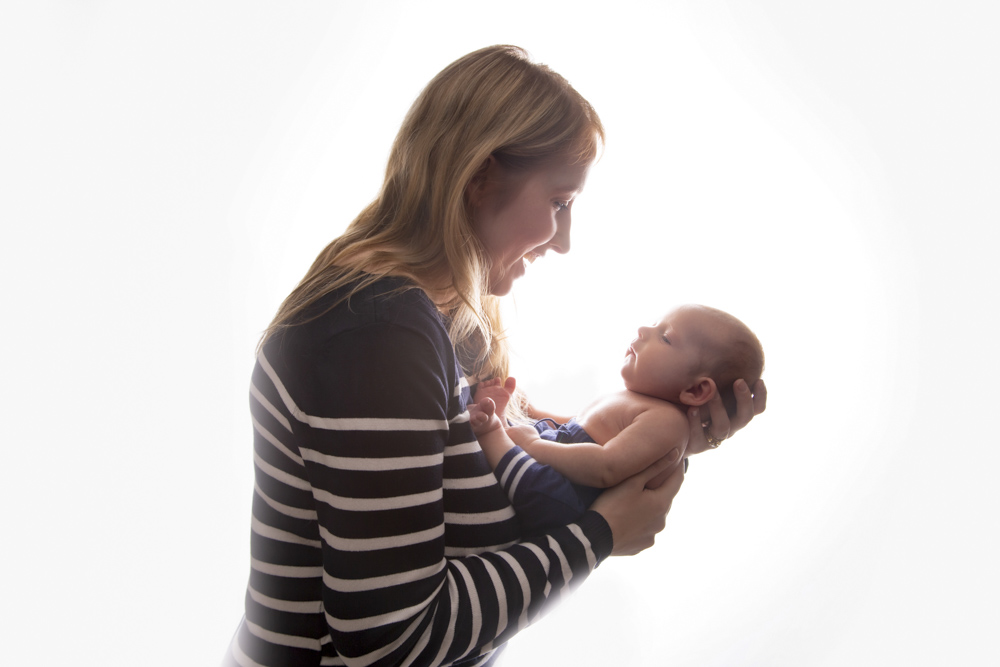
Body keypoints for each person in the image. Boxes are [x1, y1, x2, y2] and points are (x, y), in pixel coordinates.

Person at [224, 45, 765, 667]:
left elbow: (536, 478)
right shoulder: (374, 330)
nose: (564, 241)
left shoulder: (451, 320)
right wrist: (599, 535)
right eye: (559, 203)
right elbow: (392, 644)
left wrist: (671, 440)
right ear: (479, 178)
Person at [469, 305, 764, 535]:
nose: (643, 330)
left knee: (535, 476)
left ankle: (493, 432)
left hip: (560, 496)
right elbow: (576, 423)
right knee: (537, 433)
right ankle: (500, 428)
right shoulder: (636, 400)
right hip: (558, 454)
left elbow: (605, 467)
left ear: (696, 390)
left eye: (665, 337)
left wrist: (534, 445)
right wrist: (531, 412)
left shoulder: (667, 422)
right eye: (654, 323)